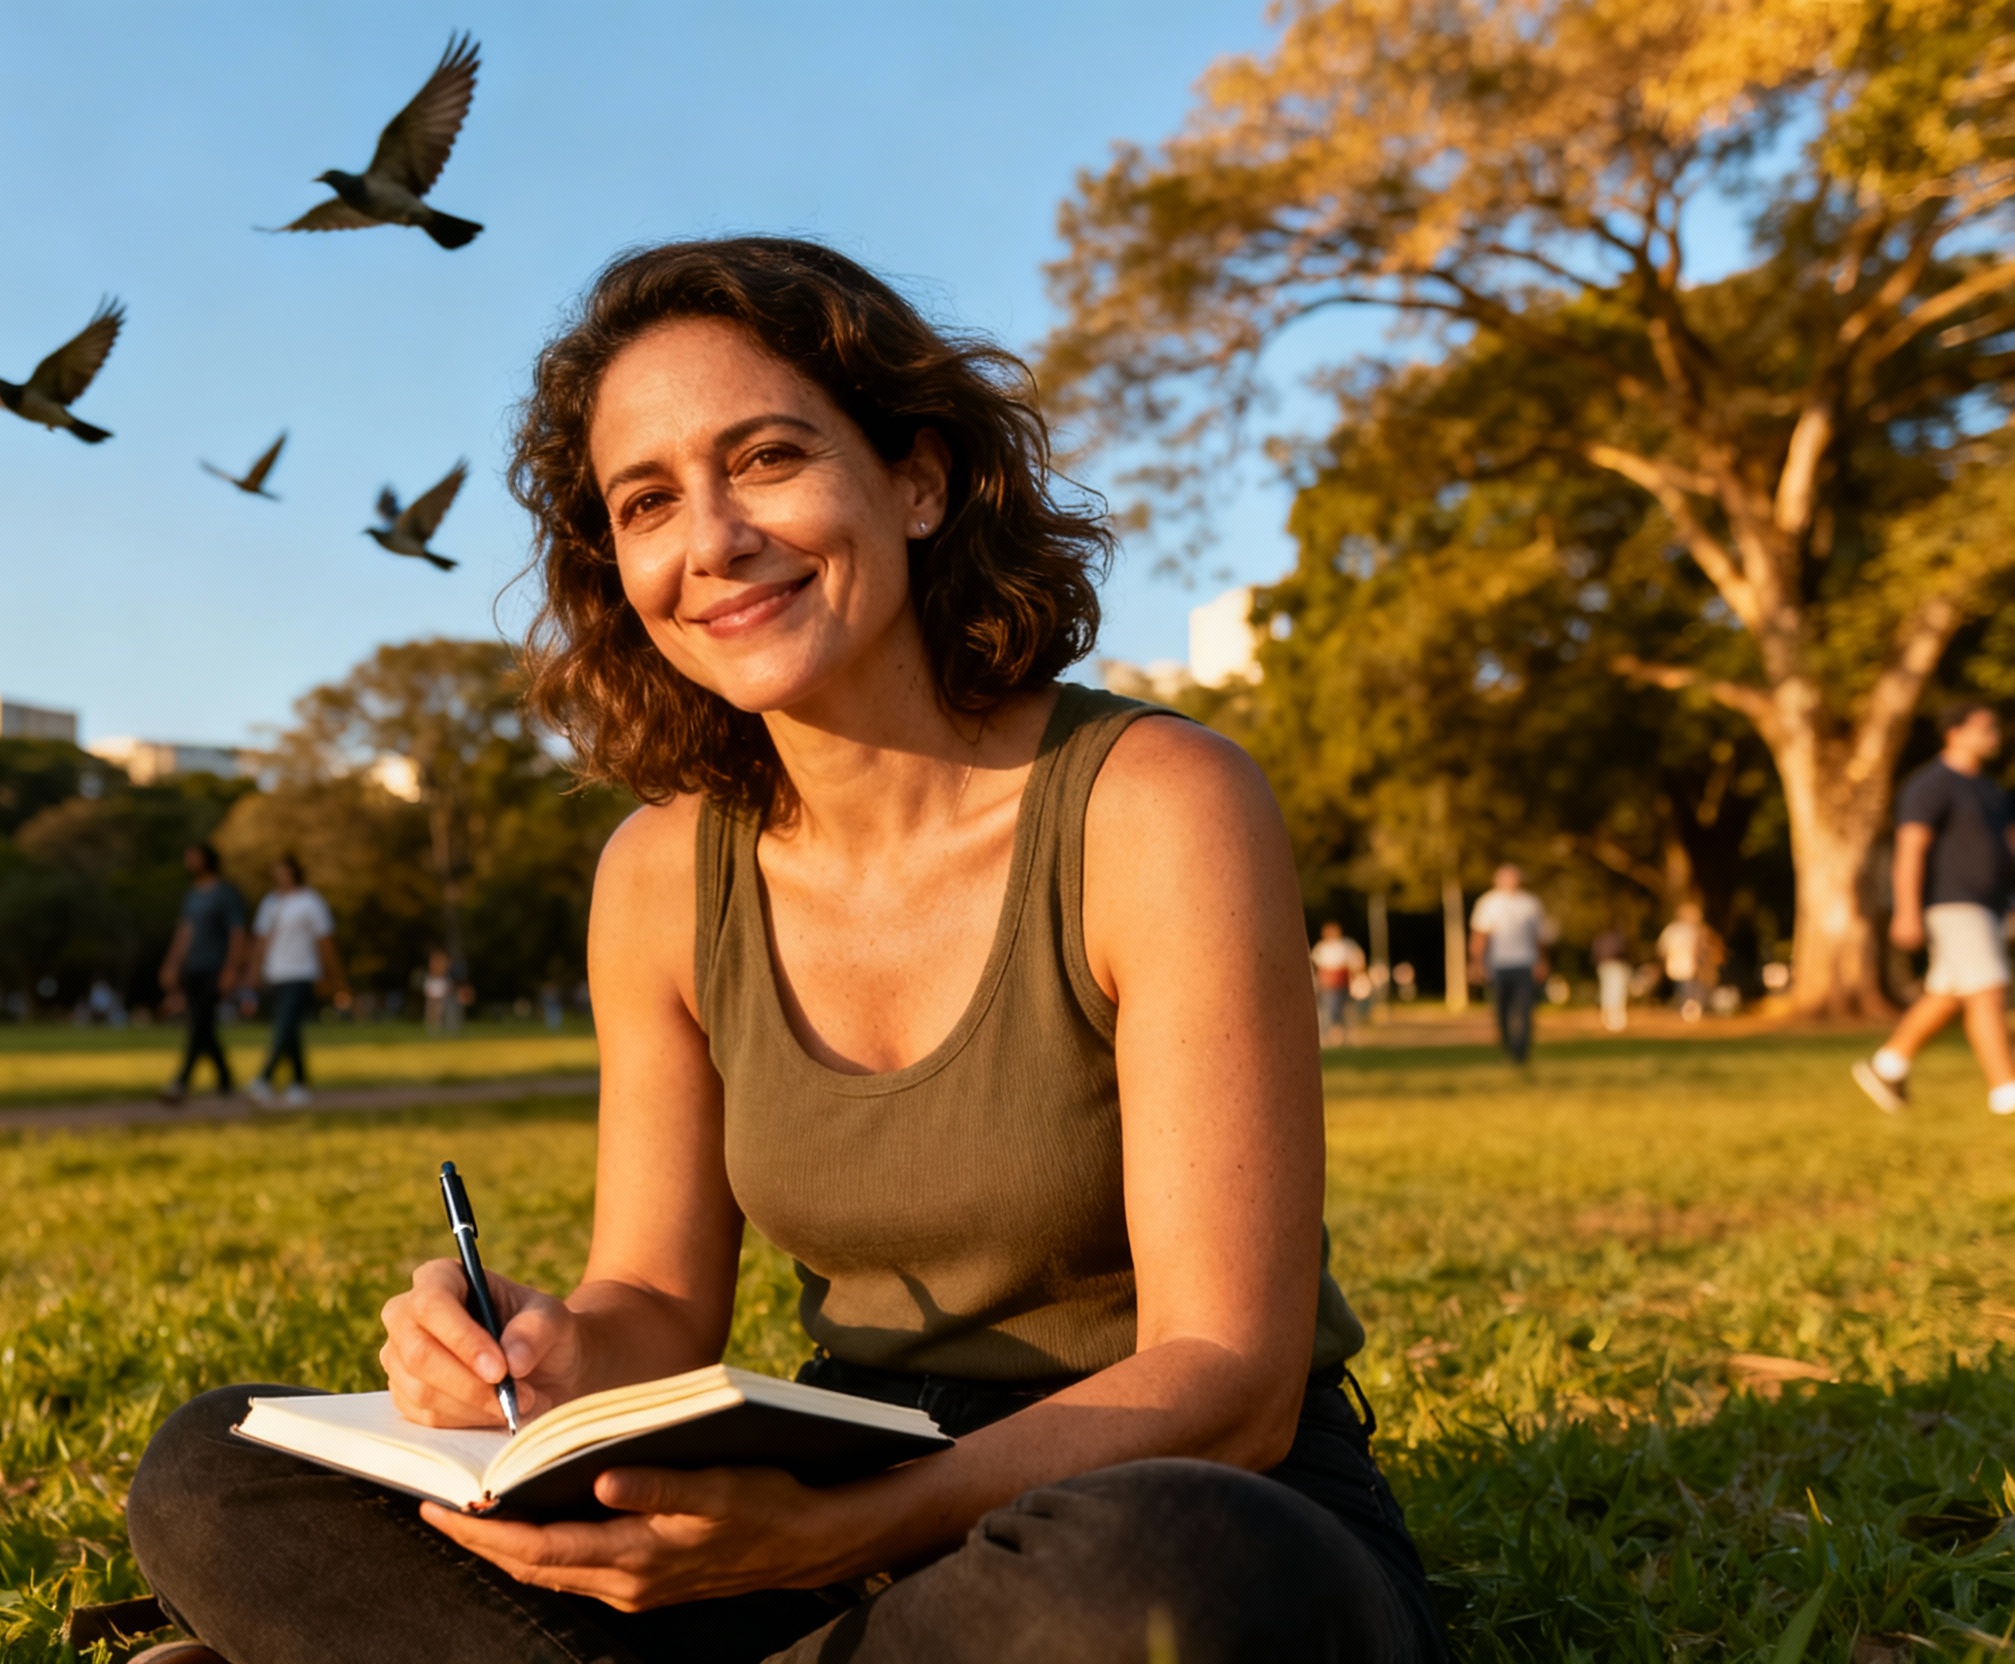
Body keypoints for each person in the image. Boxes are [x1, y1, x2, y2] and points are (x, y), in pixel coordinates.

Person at [125, 237, 1442, 1664]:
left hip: (1144, 1485)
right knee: (217, 1467)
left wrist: (851, 1536)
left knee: (1177, 1572)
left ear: (919, 480)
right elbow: (658, 1307)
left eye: (764, 459)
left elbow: (1229, 1380)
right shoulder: (654, 872)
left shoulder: (1156, 805)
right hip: (831, 1499)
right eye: (647, 502)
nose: (713, 541)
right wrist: (540, 1353)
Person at [1853, 701, 2015, 1116]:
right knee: (1987, 990)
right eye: (1985, 727)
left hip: (1990, 906)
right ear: (1954, 732)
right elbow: (1911, 849)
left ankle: (1888, 1065)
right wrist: (1906, 910)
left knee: (1947, 995)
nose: (1994, 734)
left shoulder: (1990, 790)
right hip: (1952, 902)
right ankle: (2006, 1090)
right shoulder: (1932, 785)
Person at [246, 854, 342, 1108]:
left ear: (294, 873)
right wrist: (254, 971)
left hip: (301, 973)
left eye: (283, 872)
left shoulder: (310, 902)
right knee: (289, 1030)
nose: (279, 877)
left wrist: (332, 976)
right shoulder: (270, 903)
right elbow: (261, 940)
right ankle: (298, 1083)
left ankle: (264, 1078)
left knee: (284, 1025)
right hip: (275, 973)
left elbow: (325, 941)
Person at [159, 842, 249, 1104]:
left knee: (199, 1022)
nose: (189, 862)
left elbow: (237, 933)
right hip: (194, 967)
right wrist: (172, 963)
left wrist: (232, 969)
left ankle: (181, 1081)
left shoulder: (226, 893)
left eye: (194, 857)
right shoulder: (193, 895)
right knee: (203, 1024)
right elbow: (184, 932)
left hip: (216, 967)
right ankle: (225, 1079)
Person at [1469, 864, 1554, 1065]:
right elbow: (1480, 936)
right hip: (1498, 965)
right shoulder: (1488, 903)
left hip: (1525, 963)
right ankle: (1508, 1049)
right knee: (1502, 1011)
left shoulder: (1530, 903)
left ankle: (1521, 1054)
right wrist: (1476, 963)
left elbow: (1539, 937)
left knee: (1524, 1010)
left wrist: (1542, 961)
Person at [1655, 903, 1716, 1023]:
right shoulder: (1677, 930)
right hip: (1682, 965)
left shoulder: (1689, 930)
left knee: (1688, 988)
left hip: (1688, 965)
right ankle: (1688, 1011)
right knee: (1686, 988)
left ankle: (1689, 1010)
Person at [1310, 921, 1365, 1047]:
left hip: (1343, 983)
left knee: (1343, 1009)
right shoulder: (1321, 947)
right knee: (1330, 1009)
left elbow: (1356, 962)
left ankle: (1341, 1034)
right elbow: (1317, 966)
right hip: (1328, 984)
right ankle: (1331, 1034)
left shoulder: (1346, 945)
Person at [1592, 926, 1632, 1034]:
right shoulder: (1617, 939)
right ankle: (1614, 1020)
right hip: (1613, 966)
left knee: (1609, 993)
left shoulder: (1601, 938)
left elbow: (1595, 954)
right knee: (1616, 993)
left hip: (1604, 966)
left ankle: (1610, 1019)